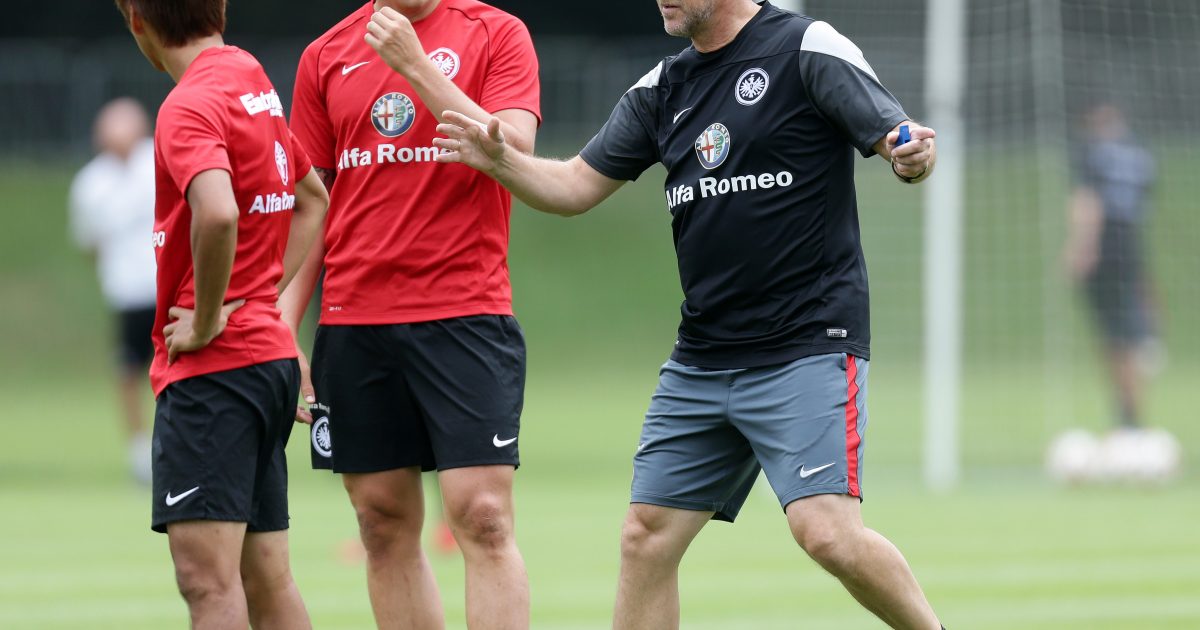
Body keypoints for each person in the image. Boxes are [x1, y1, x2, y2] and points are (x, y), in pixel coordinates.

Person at [434, 0, 945, 627]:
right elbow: (572, 187)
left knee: (827, 534)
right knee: (645, 537)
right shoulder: (662, 87)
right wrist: (501, 161)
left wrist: (909, 156)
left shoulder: (808, 47)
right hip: (703, 358)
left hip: (807, 342)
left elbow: (898, 138)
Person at [281, 1, 539, 627]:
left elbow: (516, 150)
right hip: (353, 319)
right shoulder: (325, 53)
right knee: (379, 519)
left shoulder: (496, 32)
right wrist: (282, 320)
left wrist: (417, 66)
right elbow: (311, 206)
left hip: (466, 312)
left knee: (481, 514)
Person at [112, 0, 329, 627]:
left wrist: (208, 318)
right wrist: (259, 297)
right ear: (221, 10)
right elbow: (312, 202)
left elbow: (218, 212)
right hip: (263, 360)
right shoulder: (248, 78)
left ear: (138, 22)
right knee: (267, 579)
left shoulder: (186, 106)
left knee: (207, 584)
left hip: (215, 375)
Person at [69, 97, 158, 485]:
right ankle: (140, 455)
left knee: (176, 372)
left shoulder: (158, 159)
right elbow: (89, 243)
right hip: (127, 293)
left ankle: (175, 444)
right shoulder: (90, 183)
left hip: (167, 288)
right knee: (127, 371)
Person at [1064, 103, 1159, 431]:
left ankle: (1129, 420)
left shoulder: (1093, 152)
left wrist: (1081, 248)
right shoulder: (1138, 155)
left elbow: (1088, 200)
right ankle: (1146, 345)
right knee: (1126, 330)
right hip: (1130, 245)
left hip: (1105, 249)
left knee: (1114, 336)